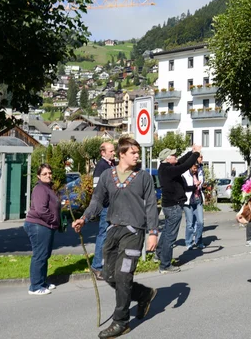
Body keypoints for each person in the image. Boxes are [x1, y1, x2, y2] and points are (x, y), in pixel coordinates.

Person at [72, 137, 159, 338]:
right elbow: (97, 201)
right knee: (108, 275)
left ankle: (121, 322)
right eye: (133, 153)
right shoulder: (106, 175)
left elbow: (151, 205)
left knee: (123, 276)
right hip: (113, 231)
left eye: (138, 152)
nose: (137, 156)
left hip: (134, 232)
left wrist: (153, 233)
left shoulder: (144, 177)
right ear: (121, 154)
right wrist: (84, 218)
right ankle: (144, 294)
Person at [156, 145, 201, 273]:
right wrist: (196, 154)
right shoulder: (168, 170)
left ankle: (159, 255)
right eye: (173, 155)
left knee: (166, 233)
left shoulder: (167, 167)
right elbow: (184, 166)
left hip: (170, 205)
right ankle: (165, 265)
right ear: (167, 159)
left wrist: (191, 152)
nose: (176, 156)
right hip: (173, 206)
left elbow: (181, 161)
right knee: (170, 236)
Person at [24, 164, 60, 295]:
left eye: (49, 173)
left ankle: (42, 281)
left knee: (44, 255)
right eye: (44, 174)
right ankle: (35, 286)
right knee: (39, 255)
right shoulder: (40, 189)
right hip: (38, 225)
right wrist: (53, 220)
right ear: (39, 176)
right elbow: (41, 210)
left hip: (46, 226)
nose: (48, 175)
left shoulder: (48, 188)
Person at [90, 141, 116, 280]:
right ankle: (97, 266)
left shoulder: (112, 165)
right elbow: (97, 189)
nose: (113, 153)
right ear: (103, 152)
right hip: (107, 207)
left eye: (113, 151)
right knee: (103, 236)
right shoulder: (101, 167)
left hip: (113, 206)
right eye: (111, 151)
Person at [183, 163, 205, 249]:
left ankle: (198, 241)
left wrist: (203, 186)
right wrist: (194, 186)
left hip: (198, 199)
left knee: (200, 222)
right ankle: (188, 242)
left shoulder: (200, 173)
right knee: (190, 223)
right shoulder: (185, 175)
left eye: (196, 168)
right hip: (188, 201)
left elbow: (201, 186)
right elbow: (185, 188)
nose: (195, 170)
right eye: (194, 168)